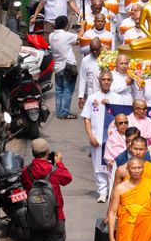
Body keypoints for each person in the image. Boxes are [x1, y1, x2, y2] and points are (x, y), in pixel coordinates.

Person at [22, 138, 73, 241]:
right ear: (47, 153)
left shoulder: (27, 171)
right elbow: (68, 178)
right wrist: (59, 163)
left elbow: (25, 186)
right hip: (55, 214)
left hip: (34, 215)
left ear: (33, 153)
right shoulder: (55, 170)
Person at [81, 70, 129, 202]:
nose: (106, 82)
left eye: (109, 79)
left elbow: (124, 118)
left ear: (112, 81)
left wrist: (110, 106)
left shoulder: (118, 99)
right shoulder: (92, 98)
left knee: (113, 165)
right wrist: (90, 136)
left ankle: (114, 190)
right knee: (98, 165)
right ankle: (102, 191)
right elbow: (87, 119)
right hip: (97, 139)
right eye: (104, 79)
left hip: (115, 140)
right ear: (99, 81)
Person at [49, 15, 79, 120]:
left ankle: (59, 112)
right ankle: (65, 112)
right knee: (67, 91)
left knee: (59, 90)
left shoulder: (51, 36)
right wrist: (83, 25)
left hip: (58, 67)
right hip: (69, 66)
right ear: (66, 25)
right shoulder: (66, 36)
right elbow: (80, 37)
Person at [76, 37, 103, 111]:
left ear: (101, 47)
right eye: (92, 49)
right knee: (93, 115)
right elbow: (82, 78)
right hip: (91, 93)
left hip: (105, 93)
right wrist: (81, 96)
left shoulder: (107, 58)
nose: (94, 52)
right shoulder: (85, 60)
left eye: (96, 49)